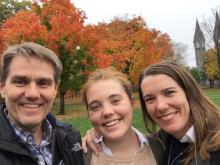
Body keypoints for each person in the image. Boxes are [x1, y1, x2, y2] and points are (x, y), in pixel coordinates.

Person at [0, 42, 83, 165]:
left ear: (55, 89)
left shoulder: (70, 139)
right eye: (20, 81)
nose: (32, 94)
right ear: (2, 87)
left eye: (43, 83)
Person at [138, 62, 220, 165]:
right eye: (150, 99)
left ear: (189, 92)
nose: (161, 106)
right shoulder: (157, 145)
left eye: (169, 93)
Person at [82, 67, 163, 165]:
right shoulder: (81, 157)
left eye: (115, 101)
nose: (107, 112)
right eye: (95, 107)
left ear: (132, 102)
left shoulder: (162, 149)